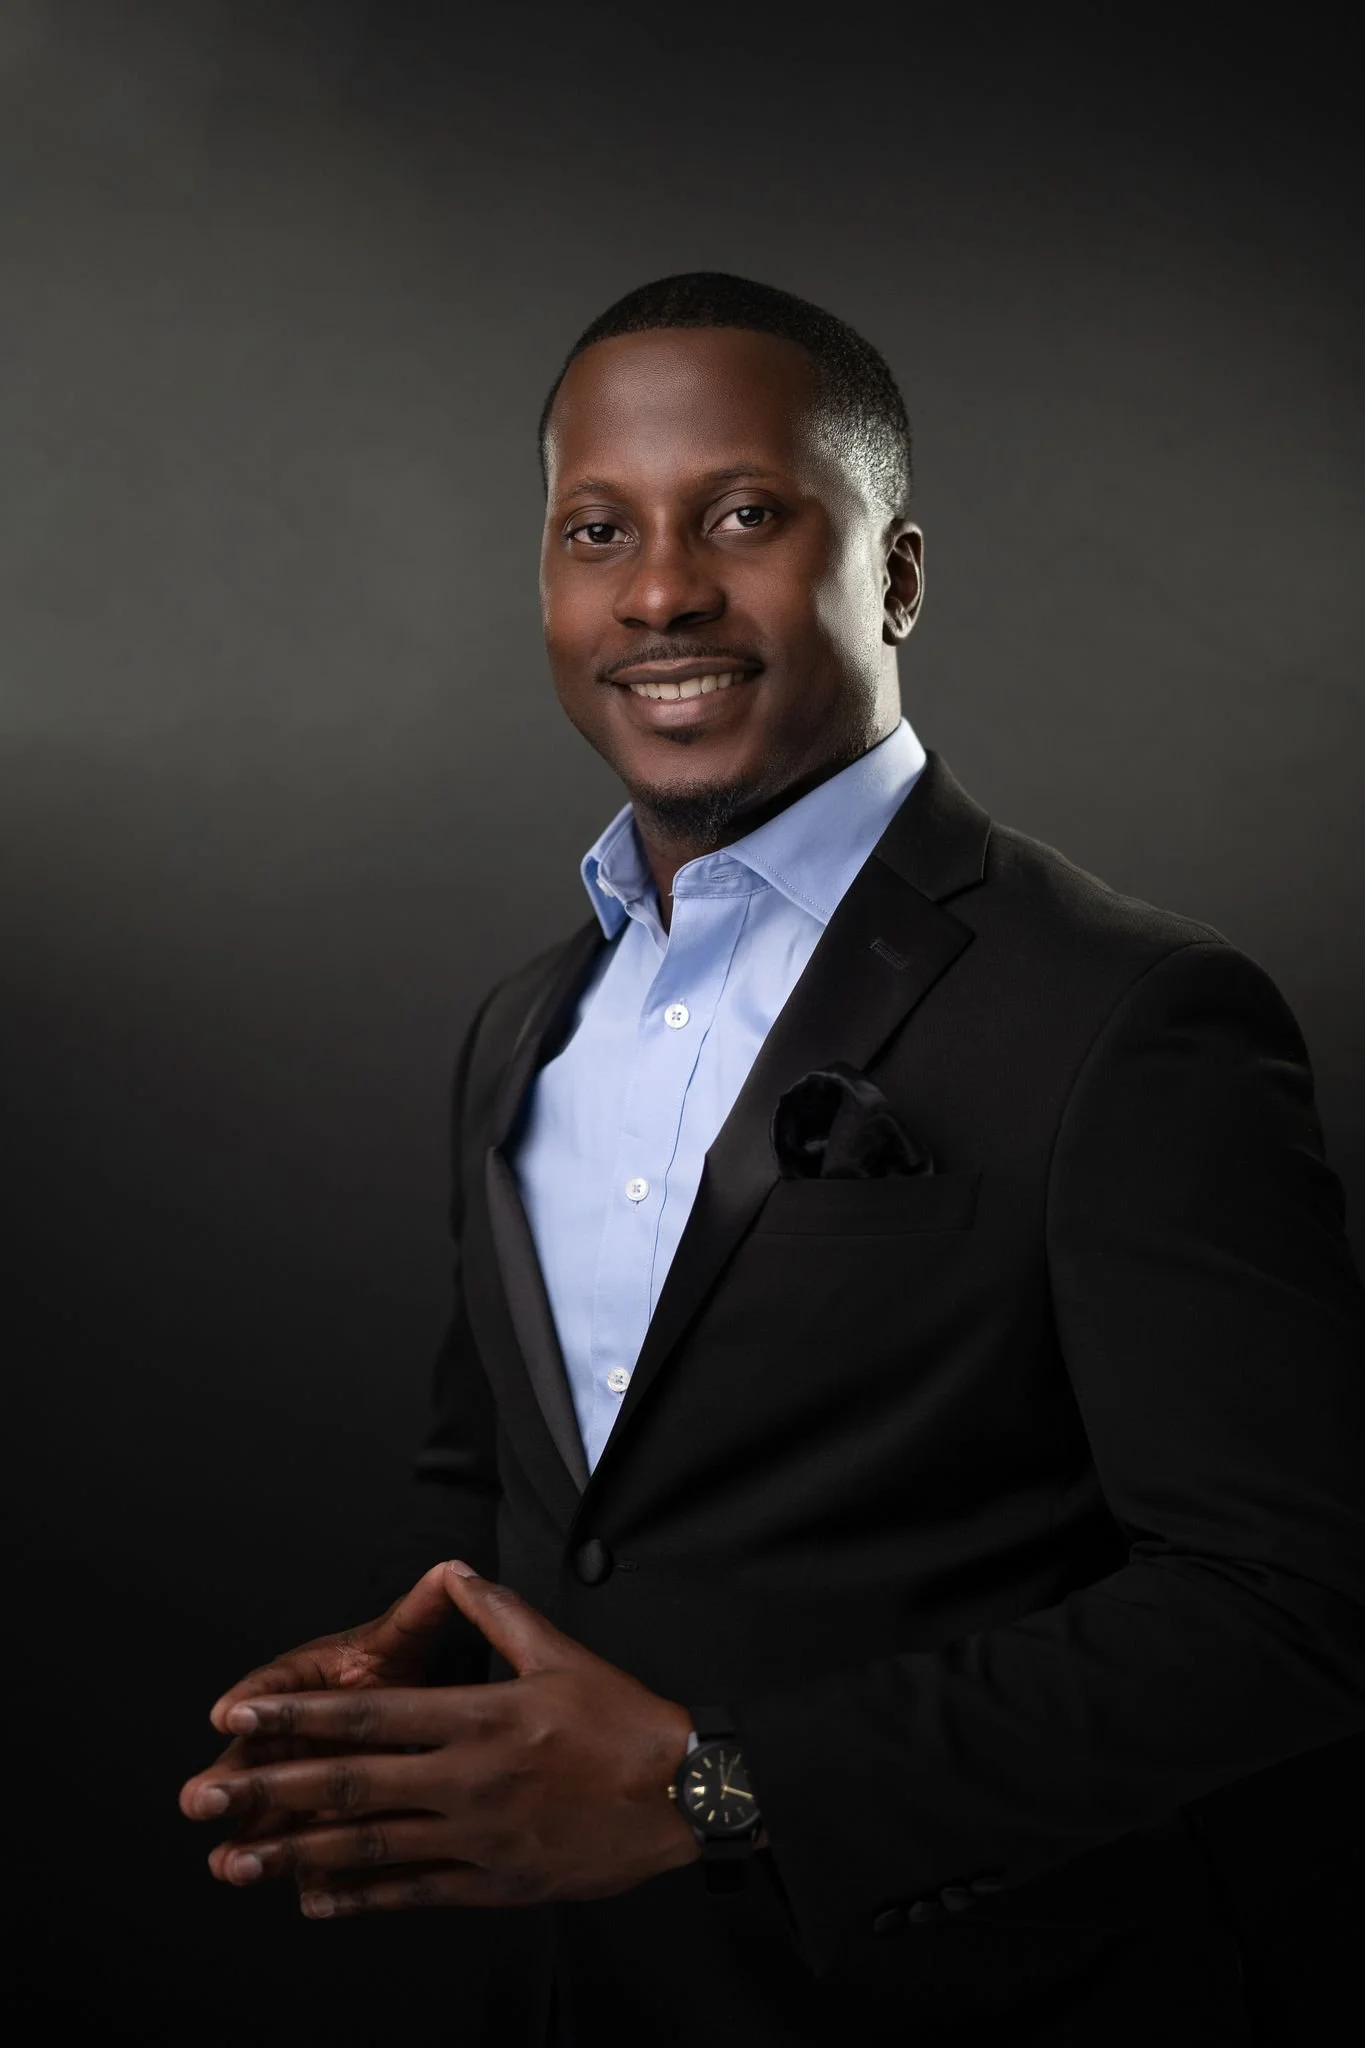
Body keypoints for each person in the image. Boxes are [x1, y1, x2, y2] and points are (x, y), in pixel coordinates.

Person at [180, 273, 1365, 2045]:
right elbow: (513, 1488)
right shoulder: (522, 1026)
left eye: (742, 515)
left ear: (895, 576)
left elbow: (1295, 1609)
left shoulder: (1134, 1015)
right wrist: (409, 1661)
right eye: (599, 529)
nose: (659, 589)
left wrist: (713, 1789)